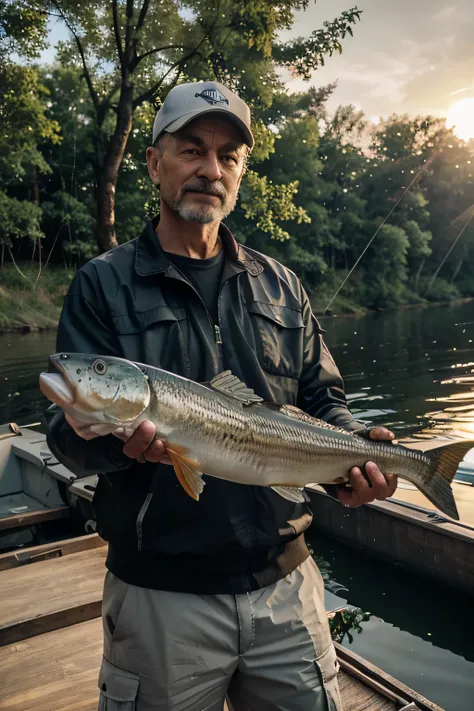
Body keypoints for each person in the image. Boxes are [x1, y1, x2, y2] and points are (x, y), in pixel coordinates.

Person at [46, 80, 398, 711]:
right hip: (159, 600)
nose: (211, 170)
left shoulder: (282, 285)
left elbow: (324, 397)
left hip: (286, 589)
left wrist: (358, 451)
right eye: (192, 150)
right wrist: (117, 446)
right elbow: (66, 439)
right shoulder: (102, 284)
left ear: (239, 175)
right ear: (155, 163)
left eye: (228, 156)